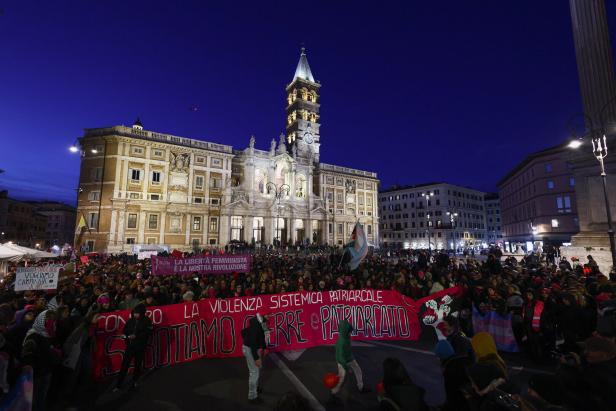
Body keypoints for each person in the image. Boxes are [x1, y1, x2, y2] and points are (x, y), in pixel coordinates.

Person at [21, 310, 61, 411]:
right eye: (47, 319)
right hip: (37, 374)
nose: (51, 322)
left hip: (47, 371)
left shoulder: (49, 334)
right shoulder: (33, 336)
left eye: (52, 319)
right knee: (34, 399)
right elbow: (27, 358)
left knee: (42, 396)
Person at [113, 303, 152, 391]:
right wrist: (124, 335)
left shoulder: (147, 321)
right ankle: (118, 385)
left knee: (137, 365)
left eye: (137, 313)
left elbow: (149, 332)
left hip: (140, 346)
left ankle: (135, 380)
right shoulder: (130, 321)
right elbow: (125, 330)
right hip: (130, 346)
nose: (135, 315)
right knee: (124, 365)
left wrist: (137, 336)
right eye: (134, 313)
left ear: (142, 313)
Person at [329, 319, 369, 404]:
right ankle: (333, 393)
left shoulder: (346, 337)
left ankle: (361, 387)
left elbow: (348, 349)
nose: (351, 333)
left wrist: (351, 358)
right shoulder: (341, 342)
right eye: (349, 331)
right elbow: (340, 357)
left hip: (349, 358)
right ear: (345, 331)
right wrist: (347, 367)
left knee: (358, 369)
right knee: (341, 377)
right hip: (342, 361)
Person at [241, 312, 271, 404]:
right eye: (269, 314)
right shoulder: (256, 324)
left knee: (257, 370)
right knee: (254, 372)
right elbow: (253, 342)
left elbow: (261, 336)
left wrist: (265, 347)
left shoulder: (262, 322)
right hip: (250, 348)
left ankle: (255, 389)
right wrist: (256, 358)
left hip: (254, 348)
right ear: (263, 314)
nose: (270, 317)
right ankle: (252, 397)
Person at [434, 340, 472, 411]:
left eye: (438, 357)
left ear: (442, 356)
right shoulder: (465, 361)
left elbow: (453, 397)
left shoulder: (449, 370)